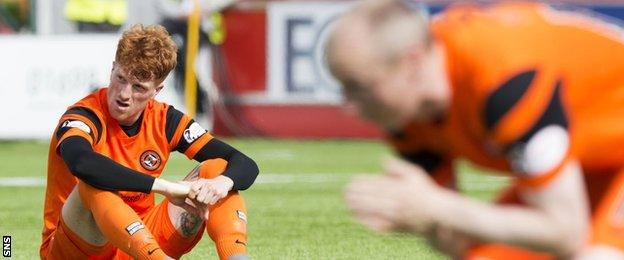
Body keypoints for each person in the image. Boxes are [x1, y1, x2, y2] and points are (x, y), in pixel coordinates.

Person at [327, 0, 624, 259]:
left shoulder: (505, 79)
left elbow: (565, 233)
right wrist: (424, 217)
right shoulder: (406, 117)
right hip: (594, 160)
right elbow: (457, 242)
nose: (349, 107)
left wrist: (436, 207)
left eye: (358, 87)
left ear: (413, 61)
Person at [39, 24, 258, 260]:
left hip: (137, 243)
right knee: (92, 182)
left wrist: (221, 183)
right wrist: (165, 187)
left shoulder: (165, 120)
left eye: (138, 88)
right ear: (112, 69)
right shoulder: (84, 116)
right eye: (120, 78)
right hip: (75, 249)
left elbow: (244, 163)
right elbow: (82, 163)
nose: (124, 94)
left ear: (157, 90)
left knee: (217, 168)